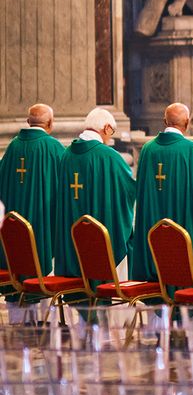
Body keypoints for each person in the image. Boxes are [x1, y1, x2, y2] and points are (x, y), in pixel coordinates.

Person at [129, 103, 193, 282]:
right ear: (187, 123)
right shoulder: (191, 150)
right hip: (182, 229)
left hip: (153, 233)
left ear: (164, 121)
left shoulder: (148, 150)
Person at [53, 108, 136, 277]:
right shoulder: (108, 156)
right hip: (99, 231)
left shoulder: (67, 154)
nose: (110, 137)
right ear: (106, 128)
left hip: (72, 234)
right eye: (111, 131)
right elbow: (129, 189)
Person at [0, 104, 64, 272]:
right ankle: (43, 296)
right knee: (41, 258)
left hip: (14, 218)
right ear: (50, 123)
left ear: (28, 121)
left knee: (16, 254)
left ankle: (14, 296)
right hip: (43, 217)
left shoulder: (13, 146)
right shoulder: (53, 147)